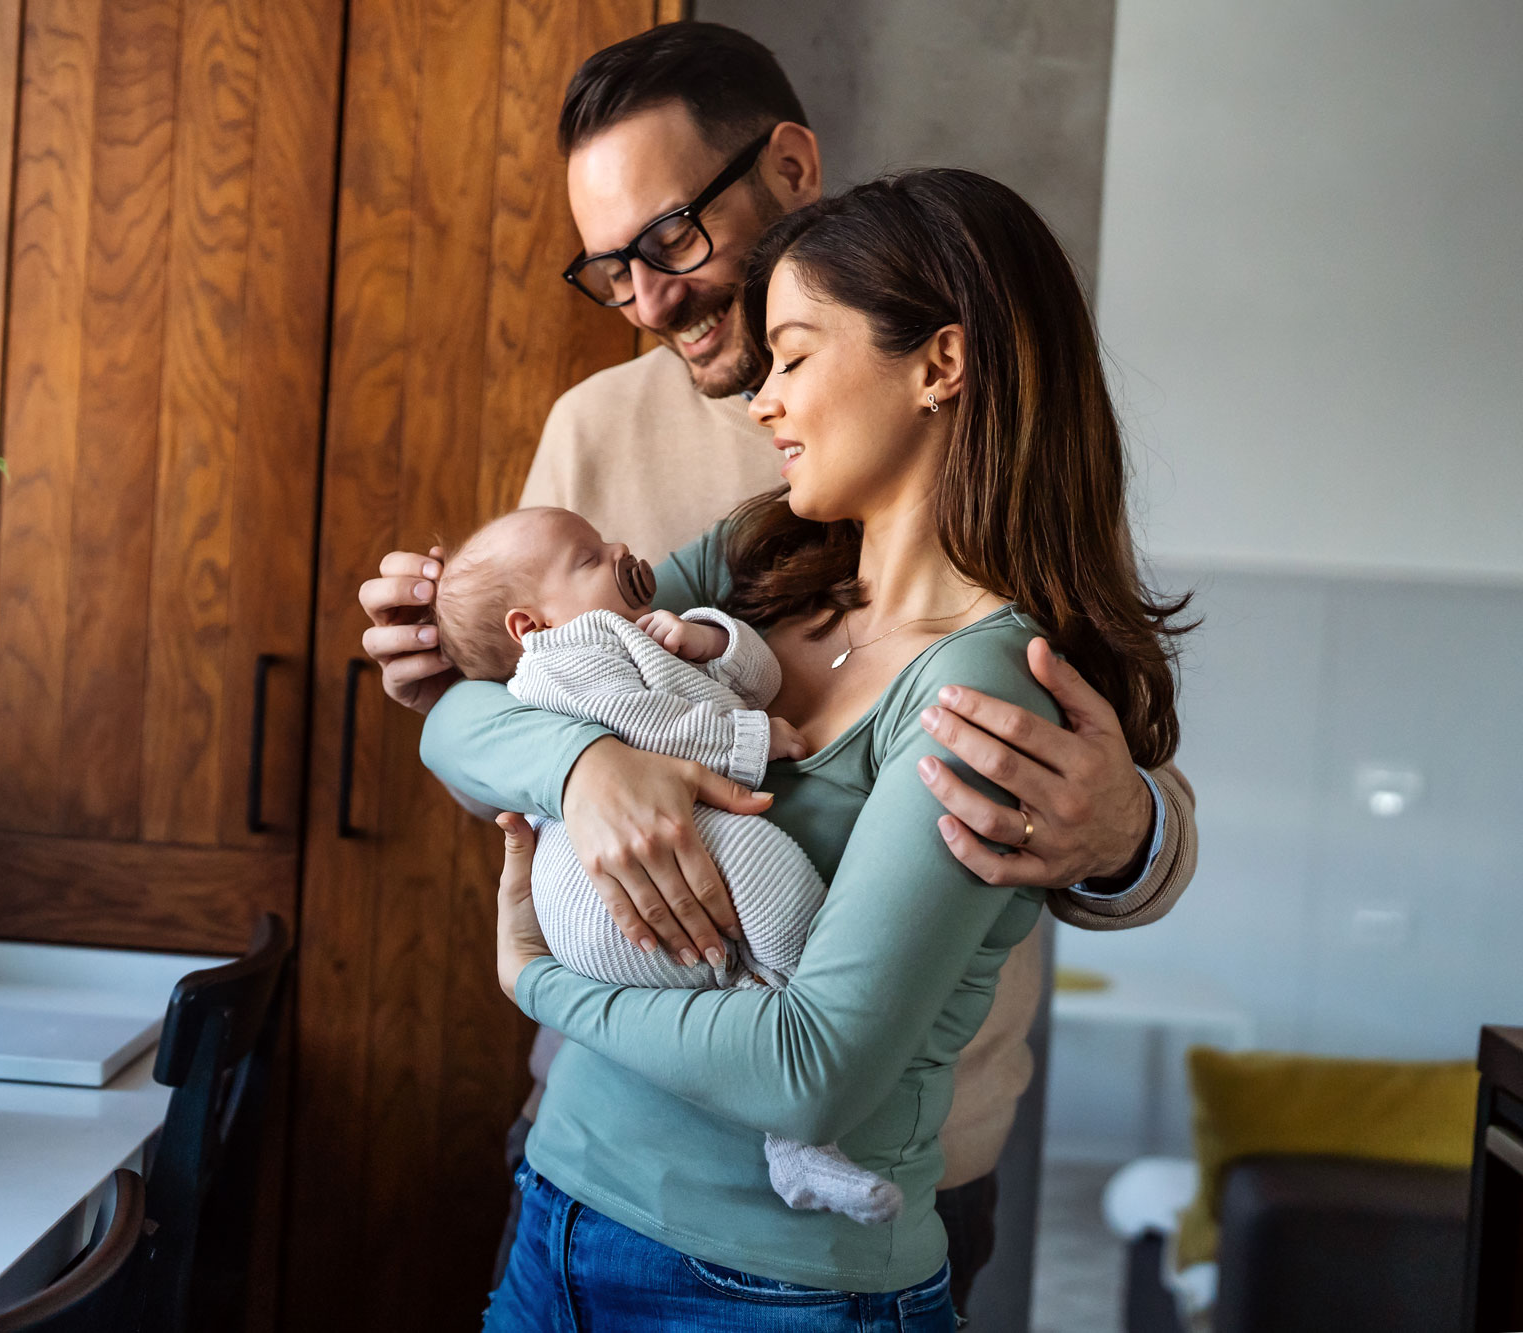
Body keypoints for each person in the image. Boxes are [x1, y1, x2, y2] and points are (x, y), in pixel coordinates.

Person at [358, 22, 1199, 1312]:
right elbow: (485, 707)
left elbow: (825, 1056)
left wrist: (1122, 825)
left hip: (802, 1236)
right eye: (607, 270)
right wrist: (584, 762)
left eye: (669, 243)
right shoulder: (757, 540)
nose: (643, 301)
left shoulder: (988, 638)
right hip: (573, 1181)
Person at [431, 504, 903, 1225]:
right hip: (595, 891)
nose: (620, 547)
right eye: (589, 557)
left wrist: (707, 637)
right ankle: (796, 1119)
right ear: (529, 626)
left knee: (751, 946)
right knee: (773, 872)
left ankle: (792, 1134)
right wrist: (750, 740)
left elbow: (759, 675)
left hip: (637, 870)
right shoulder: (564, 655)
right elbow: (646, 724)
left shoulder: (636, 628)